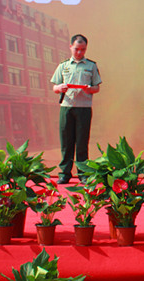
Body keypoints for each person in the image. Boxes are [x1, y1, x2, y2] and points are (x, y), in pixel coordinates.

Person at [51, 34, 101, 184]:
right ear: (71, 47)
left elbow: (97, 87)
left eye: (83, 49)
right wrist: (60, 87)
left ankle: (83, 173)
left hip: (84, 108)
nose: (79, 52)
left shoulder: (91, 66)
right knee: (66, 142)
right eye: (76, 49)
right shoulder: (63, 65)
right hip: (67, 107)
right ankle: (64, 173)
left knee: (82, 142)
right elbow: (55, 87)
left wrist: (89, 89)